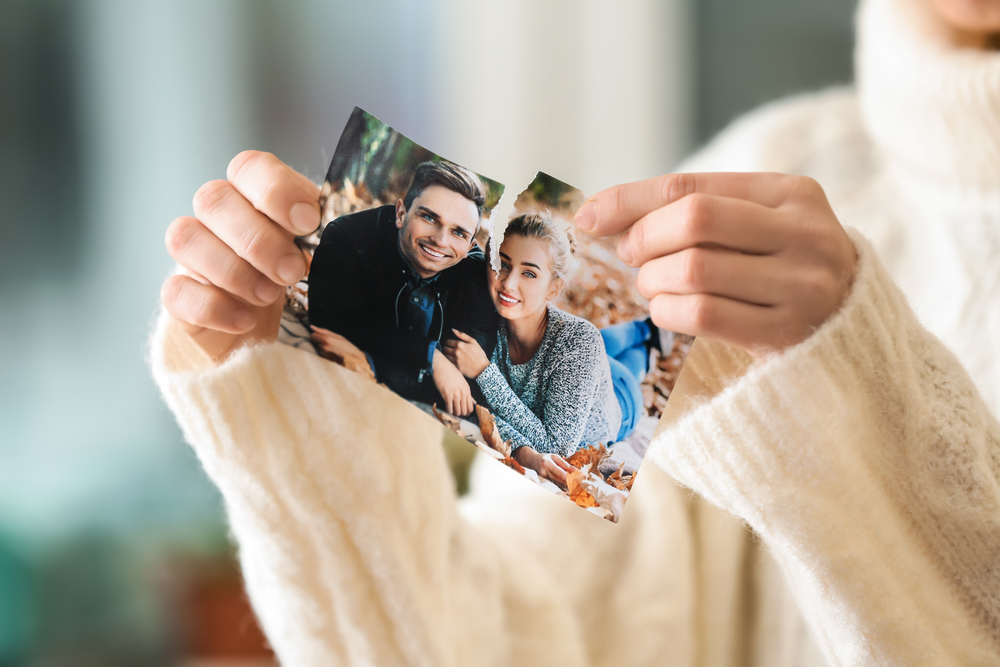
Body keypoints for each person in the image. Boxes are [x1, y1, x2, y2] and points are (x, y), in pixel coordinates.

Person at [153, 0, 1000, 663]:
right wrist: (305, 401)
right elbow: (532, 635)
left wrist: (864, 396)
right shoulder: (768, 175)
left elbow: (557, 434)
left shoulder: (583, 346)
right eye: (493, 263)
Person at [306, 160, 499, 416]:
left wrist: (376, 357)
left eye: (459, 233)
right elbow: (328, 331)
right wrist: (430, 356)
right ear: (400, 214)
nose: (441, 241)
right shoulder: (347, 239)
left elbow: (466, 391)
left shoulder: (478, 278)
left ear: (470, 245)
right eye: (429, 218)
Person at [443, 213, 622, 486]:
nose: (508, 283)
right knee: (613, 347)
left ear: (554, 288)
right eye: (503, 264)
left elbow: (556, 447)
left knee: (627, 355)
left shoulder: (579, 341)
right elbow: (475, 409)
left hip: (615, 404)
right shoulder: (484, 320)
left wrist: (484, 372)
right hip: (586, 364)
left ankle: (647, 330)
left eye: (529, 273)